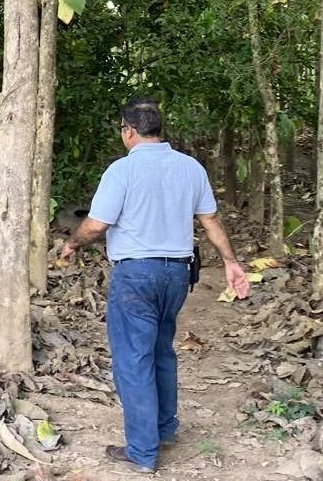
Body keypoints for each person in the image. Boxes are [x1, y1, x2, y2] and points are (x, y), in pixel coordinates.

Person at [61, 98, 250, 474]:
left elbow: (96, 225)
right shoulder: (190, 167)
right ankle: (164, 429)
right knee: (162, 350)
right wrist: (231, 262)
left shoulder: (121, 171)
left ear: (128, 130)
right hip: (177, 274)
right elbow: (210, 221)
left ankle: (143, 451)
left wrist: (71, 243)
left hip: (136, 275)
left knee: (134, 359)